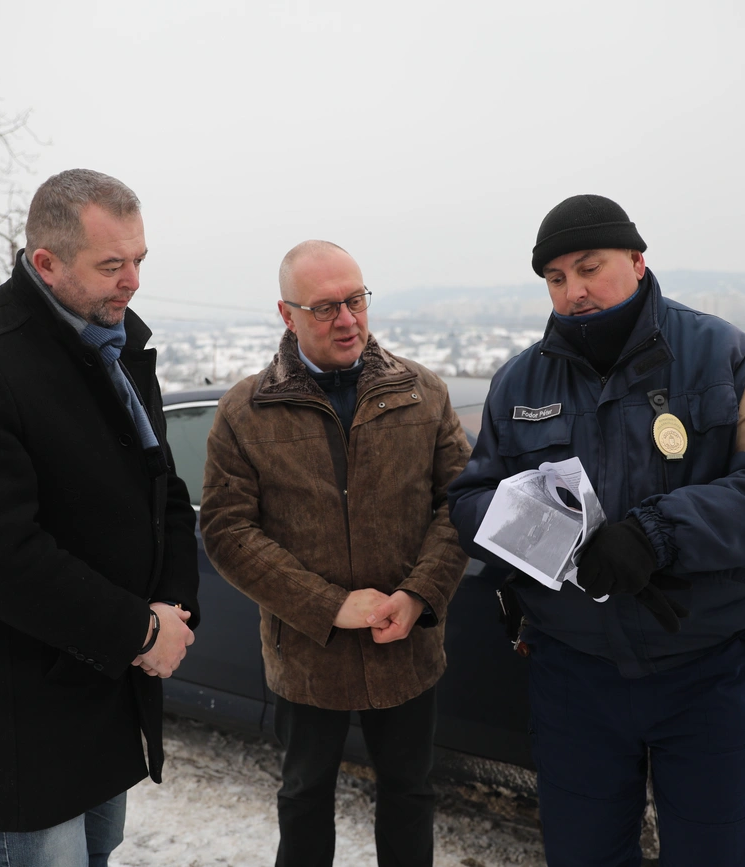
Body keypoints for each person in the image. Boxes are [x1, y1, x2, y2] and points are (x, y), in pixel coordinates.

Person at [447, 195, 745, 867]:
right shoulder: (518, 381)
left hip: (710, 668)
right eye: (556, 279)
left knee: (723, 853)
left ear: (638, 259)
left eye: (589, 268)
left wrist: (655, 533)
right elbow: (471, 498)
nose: (574, 291)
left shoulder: (723, 354)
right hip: (574, 675)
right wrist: (549, 534)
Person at [0, 169, 199, 867]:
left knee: (97, 852)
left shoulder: (113, 343)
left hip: (107, 688)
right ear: (46, 262)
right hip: (24, 708)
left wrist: (174, 610)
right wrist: (139, 629)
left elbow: (165, 493)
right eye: (112, 265)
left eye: (140, 260)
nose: (133, 282)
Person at [200, 240, 470, 867]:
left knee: (409, 793)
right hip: (307, 654)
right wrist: (329, 606)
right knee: (303, 797)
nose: (347, 319)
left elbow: (460, 507)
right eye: (325, 308)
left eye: (355, 300)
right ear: (286, 313)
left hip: (405, 643)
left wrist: (419, 595)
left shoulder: (422, 394)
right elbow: (227, 529)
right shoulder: (247, 410)